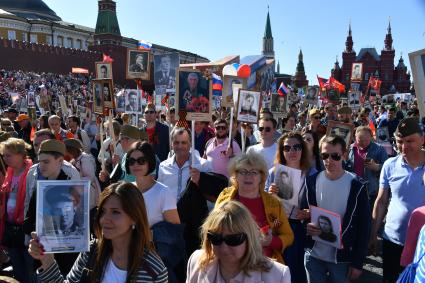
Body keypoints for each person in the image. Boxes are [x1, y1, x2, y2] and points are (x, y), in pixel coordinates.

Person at [28, 182, 168, 282]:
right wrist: (47, 260)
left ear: (134, 218)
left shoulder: (153, 269)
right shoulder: (91, 251)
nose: (105, 219)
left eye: (115, 212)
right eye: (103, 211)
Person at [302, 135, 370, 283]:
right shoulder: (311, 181)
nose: (329, 160)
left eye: (335, 156)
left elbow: (364, 227)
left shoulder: (357, 185)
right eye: (325, 155)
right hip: (314, 253)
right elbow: (304, 214)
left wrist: (358, 262)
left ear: (344, 155)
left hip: (342, 258)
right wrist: (306, 225)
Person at [369, 117, 425, 283]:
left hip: (422, 244)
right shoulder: (389, 165)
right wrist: (373, 234)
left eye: (410, 141)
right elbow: (381, 201)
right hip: (393, 239)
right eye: (400, 141)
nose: (404, 146)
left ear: (422, 139)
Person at [216, 152, 294, 263]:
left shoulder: (273, 204)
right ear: (235, 176)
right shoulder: (225, 197)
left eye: (254, 172)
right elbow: (213, 229)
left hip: (264, 265)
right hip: (230, 263)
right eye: (243, 172)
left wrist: (270, 241)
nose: (248, 176)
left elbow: (287, 235)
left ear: (261, 177)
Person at [186, 200, 291, 283]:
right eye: (216, 238)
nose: (223, 247)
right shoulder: (196, 261)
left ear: (250, 238)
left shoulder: (277, 275)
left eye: (233, 239)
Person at [23, 139, 80, 275]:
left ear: (60, 161)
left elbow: (80, 224)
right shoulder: (40, 187)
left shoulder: (72, 188)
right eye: (40, 161)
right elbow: (28, 221)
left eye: (46, 162)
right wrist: (38, 230)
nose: (41, 166)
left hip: (66, 257)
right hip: (43, 253)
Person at [266, 132, 311, 283]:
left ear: (302, 150)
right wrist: (269, 193)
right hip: (277, 225)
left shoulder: (312, 175)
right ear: (282, 151)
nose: (292, 151)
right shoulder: (273, 173)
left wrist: (308, 213)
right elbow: (264, 202)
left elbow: (319, 205)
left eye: (297, 147)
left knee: (295, 269)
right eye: (287, 148)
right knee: (278, 267)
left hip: (298, 227)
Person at [0, 138, 33, 283]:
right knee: (17, 267)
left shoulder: (32, 171)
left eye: (9, 155)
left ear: (20, 154)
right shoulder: (10, 171)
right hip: (11, 225)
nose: (5, 158)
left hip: (25, 227)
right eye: (4, 155)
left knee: (30, 268)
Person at [127, 141, 180, 227]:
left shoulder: (164, 192)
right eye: (131, 161)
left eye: (141, 160)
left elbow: (174, 231)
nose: (136, 164)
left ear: (150, 162)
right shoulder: (126, 190)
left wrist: (149, 235)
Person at [346, 126, 388, 210]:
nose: (364, 143)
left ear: (371, 138)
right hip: (353, 189)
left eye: (367, 140)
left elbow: (388, 167)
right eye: (360, 140)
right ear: (355, 137)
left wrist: (377, 167)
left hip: (371, 191)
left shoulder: (379, 149)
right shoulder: (350, 149)